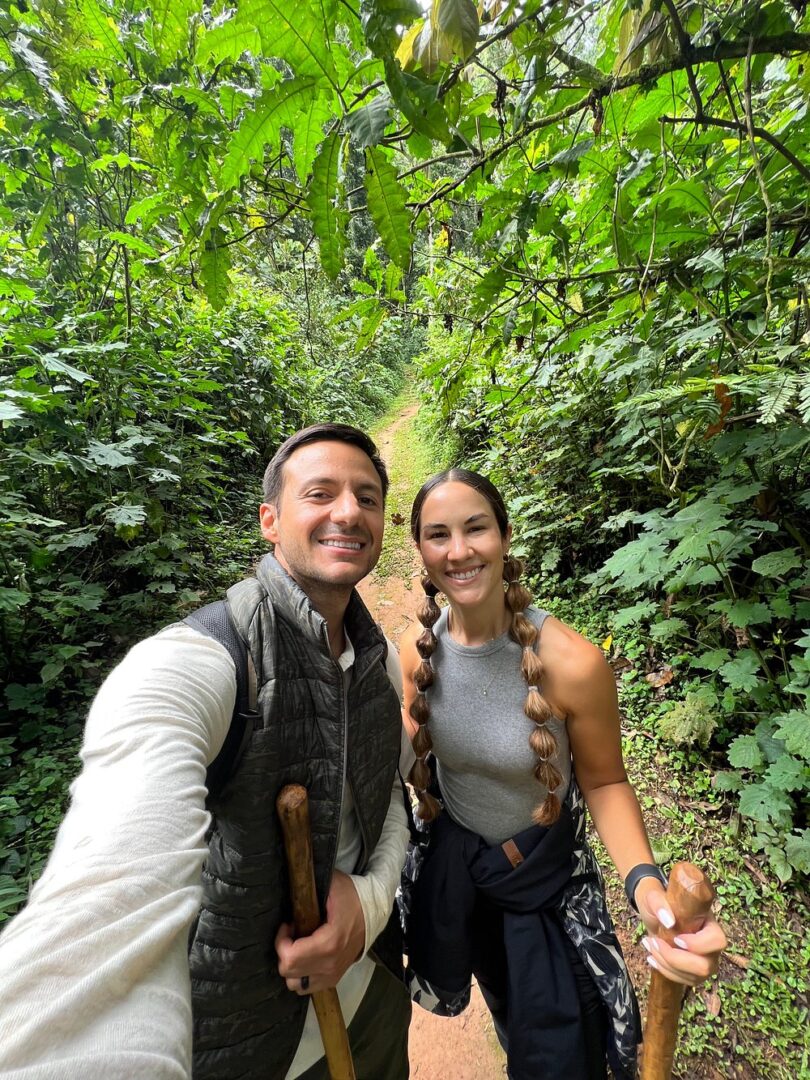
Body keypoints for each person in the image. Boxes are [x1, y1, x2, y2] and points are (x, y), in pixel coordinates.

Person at [0, 423, 413, 1080]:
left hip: (374, 1007)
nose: (348, 512)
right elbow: (112, 893)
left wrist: (369, 907)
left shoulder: (378, 659)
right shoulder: (200, 664)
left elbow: (390, 791)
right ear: (270, 521)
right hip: (247, 1050)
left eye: (367, 497)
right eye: (320, 493)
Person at [399, 468, 727, 1080]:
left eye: (476, 528)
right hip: (468, 878)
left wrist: (646, 889)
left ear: (505, 537)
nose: (459, 550)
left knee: (570, 1044)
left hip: (547, 886)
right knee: (504, 1003)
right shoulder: (415, 655)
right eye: (438, 534)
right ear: (420, 548)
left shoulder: (573, 663)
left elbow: (604, 783)